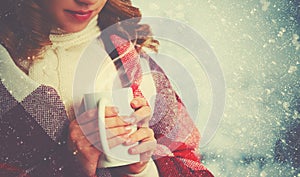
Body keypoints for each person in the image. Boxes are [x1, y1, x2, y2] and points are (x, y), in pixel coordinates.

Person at [0, 0, 214, 176]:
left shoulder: (135, 62)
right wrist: (67, 167)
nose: (88, 1)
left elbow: (192, 163)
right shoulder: (6, 72)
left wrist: (144, 169)